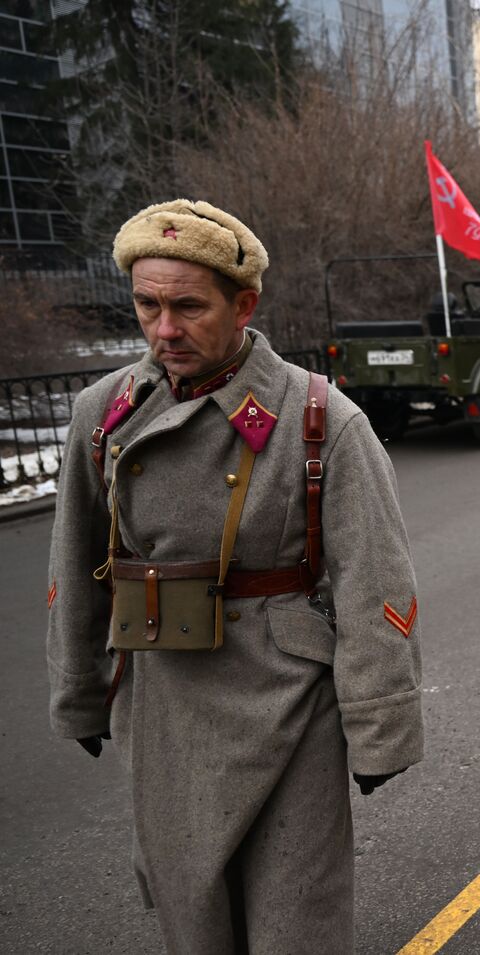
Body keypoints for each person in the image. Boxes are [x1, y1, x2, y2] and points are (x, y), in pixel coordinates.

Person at [46, 199, 424, 952]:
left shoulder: (320, 418)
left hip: (290, 711)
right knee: (195, 922)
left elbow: (374, 585)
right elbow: (74, 571)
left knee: (298, 925)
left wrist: (380, 733)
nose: (164, 330)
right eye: (147, 305)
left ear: (243, 303)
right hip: (163, 707)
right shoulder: (103, 415)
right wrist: (80, 695)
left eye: (188, 306)